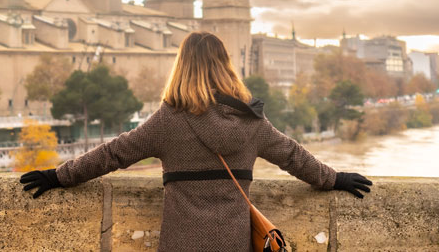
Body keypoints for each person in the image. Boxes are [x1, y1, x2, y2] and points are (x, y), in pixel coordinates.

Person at [20, 31, 371, 251]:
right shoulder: (251, 123)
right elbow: (294, 157)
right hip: (233, 243)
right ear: (226, 66)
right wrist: (335, 179)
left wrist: (58, 176)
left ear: (182, 67)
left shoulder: (168, 120)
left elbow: (113, 154)